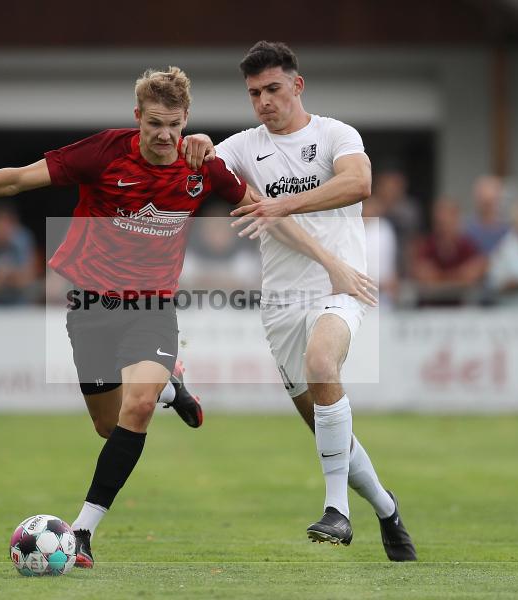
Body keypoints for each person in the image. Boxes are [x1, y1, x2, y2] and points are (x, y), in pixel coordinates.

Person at [0, 66, 371, 569]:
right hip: (91, 306)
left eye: (175, 124)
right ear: (138, 117)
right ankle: (169, 387)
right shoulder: (103, 152)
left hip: (152, 306)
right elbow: (18, 180)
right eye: (155, 122)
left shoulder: (202, 166)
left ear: (186, 121)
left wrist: (331, 263)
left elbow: (267, 212)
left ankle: (83, 533)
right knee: (108, 426)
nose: (165, 135)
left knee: (135, 410)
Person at [188, 41, 416, 560]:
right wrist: (198, 142)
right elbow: (202, 165)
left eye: (272, 88)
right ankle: (386, 508)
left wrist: (282, 205)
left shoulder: (336, 134)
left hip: (342, 286)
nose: (264, 101)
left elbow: (358, 182)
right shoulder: (245, 147)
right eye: (253, 94)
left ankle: (337, 511)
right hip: (282, 302)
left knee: (321, 363)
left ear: (297, 85)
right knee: (325, 426)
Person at [411, 198, 487, 306]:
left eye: (449, 217)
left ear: (457, 218)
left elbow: (472, 276)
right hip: (428, 312)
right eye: (440, 220)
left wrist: (439, 277)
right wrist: (459, 276)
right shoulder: (424, 247)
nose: (444, 223)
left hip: (459, 312)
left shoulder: (469, 247)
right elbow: (425, 278)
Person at [465, 175, 509, 255]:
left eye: (491, 202)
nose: (488, 208)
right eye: (484, 202)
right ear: (476, 199)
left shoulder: (508, 232)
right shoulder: (465, 229)